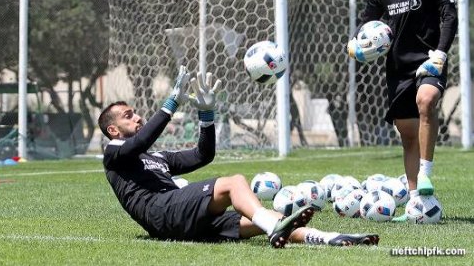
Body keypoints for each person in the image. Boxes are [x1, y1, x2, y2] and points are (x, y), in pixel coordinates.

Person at [98, 65, 379, 247]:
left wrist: (206, 116)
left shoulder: (156, 156)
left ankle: (331, 239)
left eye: (135, 112)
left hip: (180, 220)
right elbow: (141, 139)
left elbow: (202, 155)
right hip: (160, 211)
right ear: (113, 129)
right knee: (234, 183)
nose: (137, 116)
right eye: (128, 115)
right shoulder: (113, 153)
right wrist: (170, 104)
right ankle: (274, 229)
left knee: (272, 217)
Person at [347, 0, 458, 221]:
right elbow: (367, 22)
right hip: (397, 68)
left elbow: (449, 16)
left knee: (427, 99)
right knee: (407, 135)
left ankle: (425, 174)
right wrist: (355, 43)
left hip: (429, 61)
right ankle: (414, 203)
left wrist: (440, 55)